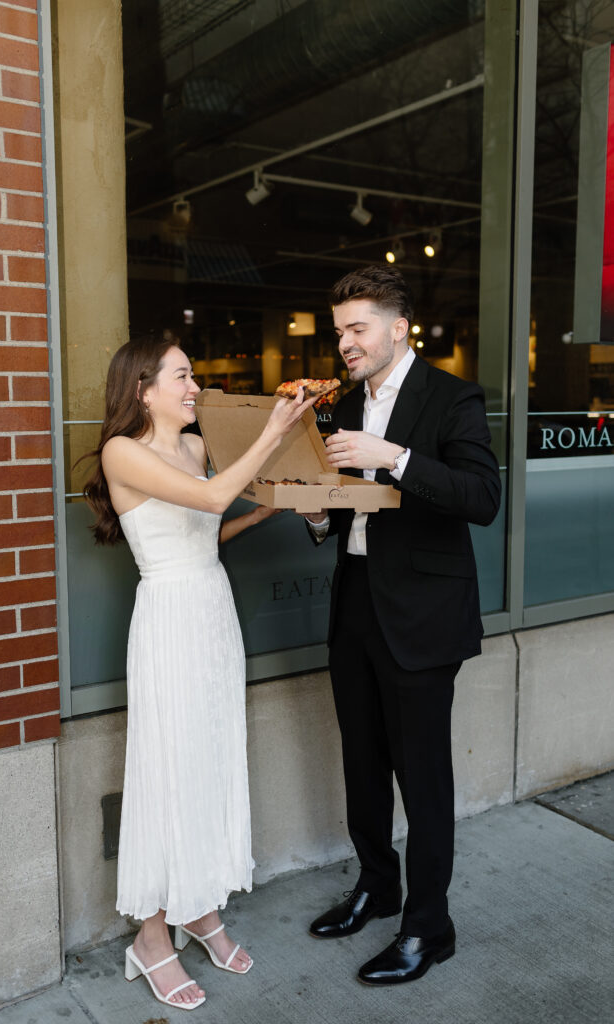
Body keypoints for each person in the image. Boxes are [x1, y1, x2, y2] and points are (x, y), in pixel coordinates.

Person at [83, 333, 316, 1010]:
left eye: (195, 377)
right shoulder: (121, 451)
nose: (196, 388)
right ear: (142, 388)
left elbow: (205, 529)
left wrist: (269, 509)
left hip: (212, 611)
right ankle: (151, 937)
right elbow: (212, 499)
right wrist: (273, 429)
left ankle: (197, 907)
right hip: (167, 617)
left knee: (210, 760)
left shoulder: (191, 446)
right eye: (183, 377)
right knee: (167, 770)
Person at [304, 266, 501, 984]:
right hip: (355, 604)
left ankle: (428, 927)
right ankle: (376, 888)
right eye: (338, 332)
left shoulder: (453, 398)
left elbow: (481, 497)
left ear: (397, 328)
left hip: (421, 615)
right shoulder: (344, 404)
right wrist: (320, 515)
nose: (345, 344)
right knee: (362, 763)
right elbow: (349, 507)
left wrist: (396, 458)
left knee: (422, 780)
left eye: (356, 329)